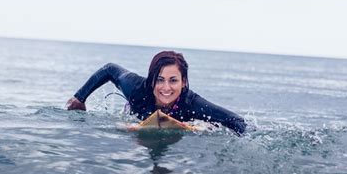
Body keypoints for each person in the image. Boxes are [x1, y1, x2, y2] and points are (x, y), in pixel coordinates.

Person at [66, 51, 247, 135]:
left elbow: (237, 122)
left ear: (183, 82)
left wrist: (204, 129)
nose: (166, 88)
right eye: (160, 79)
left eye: (173, 80)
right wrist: (79, 98)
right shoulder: (136, 88)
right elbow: (110, 69)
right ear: (151, 79)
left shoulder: (191, 104)